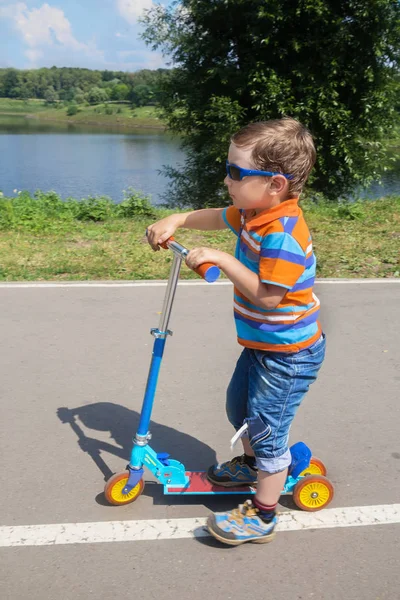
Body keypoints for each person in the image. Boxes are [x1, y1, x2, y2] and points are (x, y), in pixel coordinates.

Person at [146, 117, 326, 546]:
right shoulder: (253, 211)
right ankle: (251, 466)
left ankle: (262, 515)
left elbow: (267, 298)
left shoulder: (282, 232)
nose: (226, 179)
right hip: (263, 346)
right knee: (238, 410)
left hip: (289, 354)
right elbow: (217, 216)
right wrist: (179, 218)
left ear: (275, 184)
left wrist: (225, 262)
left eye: (236, 172)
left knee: (264, 429)